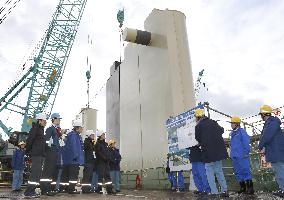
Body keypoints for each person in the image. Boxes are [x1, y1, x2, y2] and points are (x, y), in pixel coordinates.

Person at [194, 109, 229, 197]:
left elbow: (198, 138)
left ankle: (214, 192)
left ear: (198, 117)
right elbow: (221, 130)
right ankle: (225, 191)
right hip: (218, 152)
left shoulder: (198, 126)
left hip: (208, 153)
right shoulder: (213, 122)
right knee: (219, 172)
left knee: (210, 173)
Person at [258, 105, 284, 198]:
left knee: (280, 171)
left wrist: (260, 145)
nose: (261, 116)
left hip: (277, 152)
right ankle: (282, 189)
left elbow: (266, 136)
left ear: (264, 114)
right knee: (279, 172)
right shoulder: (271, 123)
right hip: (275, 151)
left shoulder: (272, 123)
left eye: (261, 114)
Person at [24, 113, 47, 198]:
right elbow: (30, 140)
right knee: (35, 173)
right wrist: (28, 151)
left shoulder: (40, 129)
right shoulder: (35, 128)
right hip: (36, 154)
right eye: (44, 121)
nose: (45, 122)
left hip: (40, 155)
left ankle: (32, 190)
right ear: (40, 120)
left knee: (37, 174)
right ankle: (28, 192)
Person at [229, 116, 254, 194]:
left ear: (237, 124)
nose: (231, 125)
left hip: (242, 156)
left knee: (245, 171)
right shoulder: (232, 133)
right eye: (231, 123)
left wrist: (246, 153)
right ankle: (243, 188)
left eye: (232, 123)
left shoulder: (242, 132)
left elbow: (246, 143)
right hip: (234, 157)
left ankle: (250, 189)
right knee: (238, 172)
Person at [40, 113, 62, 196]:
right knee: (47, 172)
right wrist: (49, 147)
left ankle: (49, 188)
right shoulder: (50, 129)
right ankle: (44, 190)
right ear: (54, 119)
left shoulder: (57, 129)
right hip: (50, 152)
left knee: (52, 172)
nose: (59, 120)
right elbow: (46, 141)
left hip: (55, 152)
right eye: (58, 119)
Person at [61, 120, 84, 194]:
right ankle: (71, 189)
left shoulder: (72, 135)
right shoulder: (74, 136)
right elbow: (74, 147)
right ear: (78, 128)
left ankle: (67, 189)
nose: (82, 129)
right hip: (74, 160)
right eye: (81, 128)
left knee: (68, 175)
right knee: (73, 176)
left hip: (69, 160)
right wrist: (76, 157)